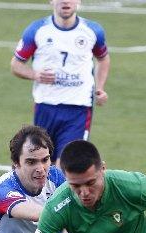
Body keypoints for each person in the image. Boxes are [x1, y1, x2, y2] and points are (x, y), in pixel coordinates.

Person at [10, 0, 110, 168]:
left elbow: (103, 58)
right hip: (45, 107)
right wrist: (35, 75)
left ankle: (65, 194)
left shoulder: (93, 31)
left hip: (78, 109)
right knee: (42, 165)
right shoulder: (37, 30)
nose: (65, 1)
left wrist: (100, 88)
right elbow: (16, 65)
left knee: (66, 165)